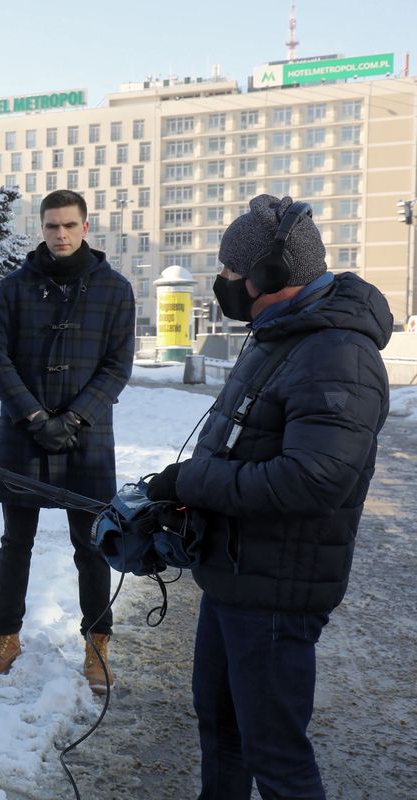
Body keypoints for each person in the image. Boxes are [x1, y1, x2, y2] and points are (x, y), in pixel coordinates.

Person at [146, 195, 390, 799]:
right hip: (235, 575)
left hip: (278, 589)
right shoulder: (279, 335)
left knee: (276, 757)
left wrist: (193, 481)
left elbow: (313, 479)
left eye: (231, 272)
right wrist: (181, 493)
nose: (223, 283)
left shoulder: (336, 353)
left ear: (272, 276)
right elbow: (245, 444)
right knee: (222, 731)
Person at [0, 189, 134, 691]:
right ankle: (8, 635)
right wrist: (33, 414)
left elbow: (117, 366)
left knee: (92, 546)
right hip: (22, 433)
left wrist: (73, 419)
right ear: (41, 228)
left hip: (85, 437)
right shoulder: (13, 287)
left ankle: (97, 643)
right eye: (52, 226)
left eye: (69, 225)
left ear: (85, 227)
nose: (61, 234)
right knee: (15, 542)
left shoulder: (115, 289)